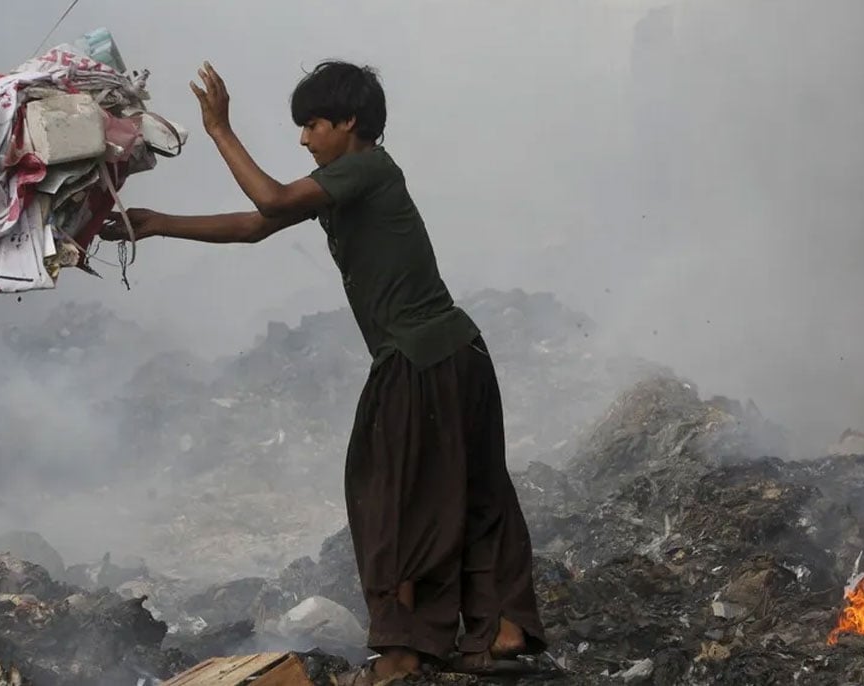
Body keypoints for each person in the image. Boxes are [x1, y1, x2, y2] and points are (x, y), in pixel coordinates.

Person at [102, 61, 546, 680]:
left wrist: (219, 128)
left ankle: (400, 653)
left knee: (387, 500)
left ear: (350, 123)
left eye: (313, 125)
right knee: (474, 490)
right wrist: (155, 226)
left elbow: (270, 200)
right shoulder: (348, 179)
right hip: (458, 352)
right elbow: (257, 226)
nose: (305, 139)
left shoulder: (368, 167)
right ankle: (505, 629)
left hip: (417, 358)